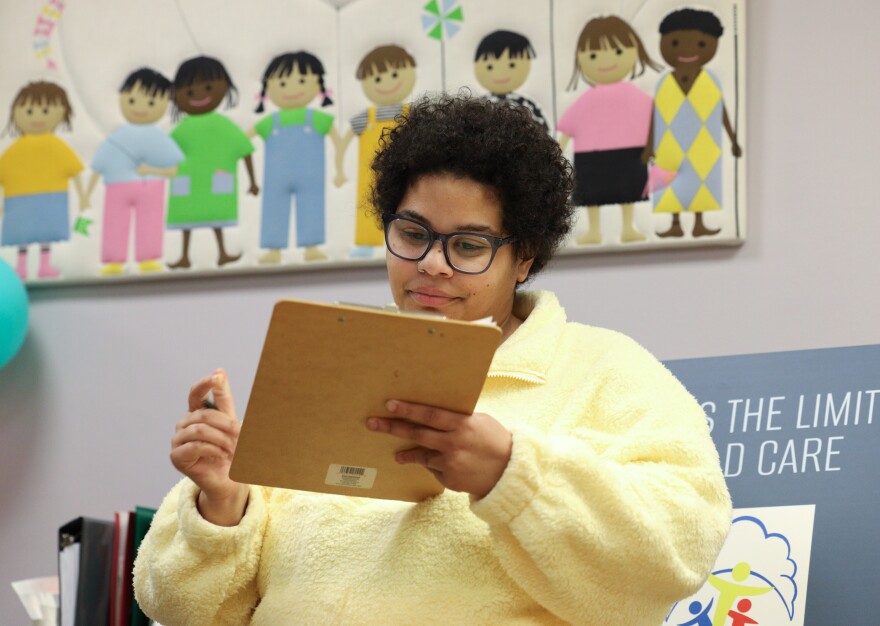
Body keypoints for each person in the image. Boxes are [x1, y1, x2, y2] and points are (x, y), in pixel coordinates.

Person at [134, 94, 732, 625]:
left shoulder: (604, 369)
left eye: (468, 245)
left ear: (523, 257)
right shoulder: (326, 362)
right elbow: (181, 607)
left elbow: (677, 550)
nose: (432, 264)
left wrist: (512, 474)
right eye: (413, 233)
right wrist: (220, 504)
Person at [557, 15, 660, 245]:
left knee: (628, 192)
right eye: (593, 55)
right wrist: (556, 152)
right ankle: (594, 231)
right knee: (592, 195)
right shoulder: (587, 99)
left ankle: (627, 228)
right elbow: (567, 126)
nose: (606, 61)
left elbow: (654, 119)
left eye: (617, 52)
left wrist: (655, 147)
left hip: (630, 151)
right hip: (592, 156)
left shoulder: (636, 95)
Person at [642, 8, 743, 238]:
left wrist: (733, 140)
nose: (688, 50)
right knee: (670, 186)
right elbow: (654, 116)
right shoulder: (664, 83)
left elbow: (722, 112)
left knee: (703, 182)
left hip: (704, 146)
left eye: (700, 43)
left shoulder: (711, 81)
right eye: (675, 42)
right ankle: (674, 224)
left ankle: (699, 223)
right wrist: (649, 147)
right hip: (670, 146)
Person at [85, 67, 184, 275]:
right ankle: (114, 261)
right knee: (115, 223)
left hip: (150, 187)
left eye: (151, 103)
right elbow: (97, 167)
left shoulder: (159, 138)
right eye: (131, 100)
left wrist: (150, 170)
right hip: (117, 187)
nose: (140, 108)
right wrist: (86, 196)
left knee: (150, 223)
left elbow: (174, 170)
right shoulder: (117, 137)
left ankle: (148, 258)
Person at [250, 51, 345, 264]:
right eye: (282, 83)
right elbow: (245, 140)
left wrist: (340, 169)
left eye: (302, 81)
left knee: (311, 206)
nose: (292, 89)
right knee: (273, 209)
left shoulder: (316, 119)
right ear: (268, 87)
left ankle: (312, 247)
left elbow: (337, 141)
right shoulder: (271, 121)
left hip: (310, 176)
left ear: (318, 84)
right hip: (276, 178)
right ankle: (274, 249)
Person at [165, 55, 259, 269]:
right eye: (189, 92)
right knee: (186, 221)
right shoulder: (183, 129)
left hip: (214, 180)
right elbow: (166, 154)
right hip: (189, 182)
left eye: (208, 87)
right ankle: (184, 256)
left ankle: (222, 253)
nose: (199, 95)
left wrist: (252, 181)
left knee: (217, 219)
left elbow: (245, 150)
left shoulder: (223, 125)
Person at [337, 44, 418, 259]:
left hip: (407, 171)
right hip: (370, 173)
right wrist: (340, 169)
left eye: (394, 74)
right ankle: (366, 242)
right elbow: (345, 141)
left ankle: (404, 243)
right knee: (367, 208)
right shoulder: (366, 117)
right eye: (377, 79)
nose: (387, 83)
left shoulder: (412, 113)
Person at [0, 81, 86, 280]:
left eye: (45, 110)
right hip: (19, 200)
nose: (37, 117)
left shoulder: (56, 146)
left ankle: (44, 266)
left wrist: (83, 197)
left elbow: (75, 171)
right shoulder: (15, 150)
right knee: (22, 236)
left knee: (46, 235)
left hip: (51, 198)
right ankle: (21, 268)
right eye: (29, 111)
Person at [473, 29, 548, 129]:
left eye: (512, 65)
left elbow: (543, 130)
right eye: (490, 67)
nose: (500, 73)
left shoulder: (525, 105)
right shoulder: (478, 107)